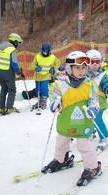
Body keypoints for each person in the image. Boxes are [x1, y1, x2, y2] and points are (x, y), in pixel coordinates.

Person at [41, 51, 101, 186]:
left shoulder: (89, 84)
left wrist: (93, 108)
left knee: (84, 145)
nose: (81, 71)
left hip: (83, 122)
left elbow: (94, 99)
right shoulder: (60, 84)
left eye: (84, 68)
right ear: (70, 68)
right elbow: (53, 98)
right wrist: (54, 105)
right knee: (61, 142)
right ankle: (61, 160)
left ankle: (92, 167)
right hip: (65, 121)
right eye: (78, 67)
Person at [86, 50, 108, 150]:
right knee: (88, 119)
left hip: (99, 102)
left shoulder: (103, 75)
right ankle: (91, 132)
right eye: (91, 62)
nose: (94, 65)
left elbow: (106, 86)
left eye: (97, 62)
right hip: (88, 102)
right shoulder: (84, 75)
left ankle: (105, 138)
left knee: (98, 120)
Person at [0, 33, 24, 115]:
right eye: (17, 43)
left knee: (3, 90)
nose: (18, 45)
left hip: (0, 71)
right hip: (8, 72)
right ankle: (9, 108)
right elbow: (14, 63)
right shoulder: (12, 50)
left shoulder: (2, 48)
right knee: (12, 90)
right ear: (14, 41)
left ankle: (0, 108)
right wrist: (19, 73)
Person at [31, 42, 60, 110]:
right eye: (44, 50)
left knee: (44, 89)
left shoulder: (52, 57)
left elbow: (57, 63)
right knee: (38, 90)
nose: (45, 52)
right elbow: (33, 64)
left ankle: (44, 102)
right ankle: (39, 102)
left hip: (46, 76)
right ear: (41, 49)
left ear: (49, 50)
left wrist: (53, 69)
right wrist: (35, 68)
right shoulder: (37, 57)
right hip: (38, 76)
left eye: (47, 50)